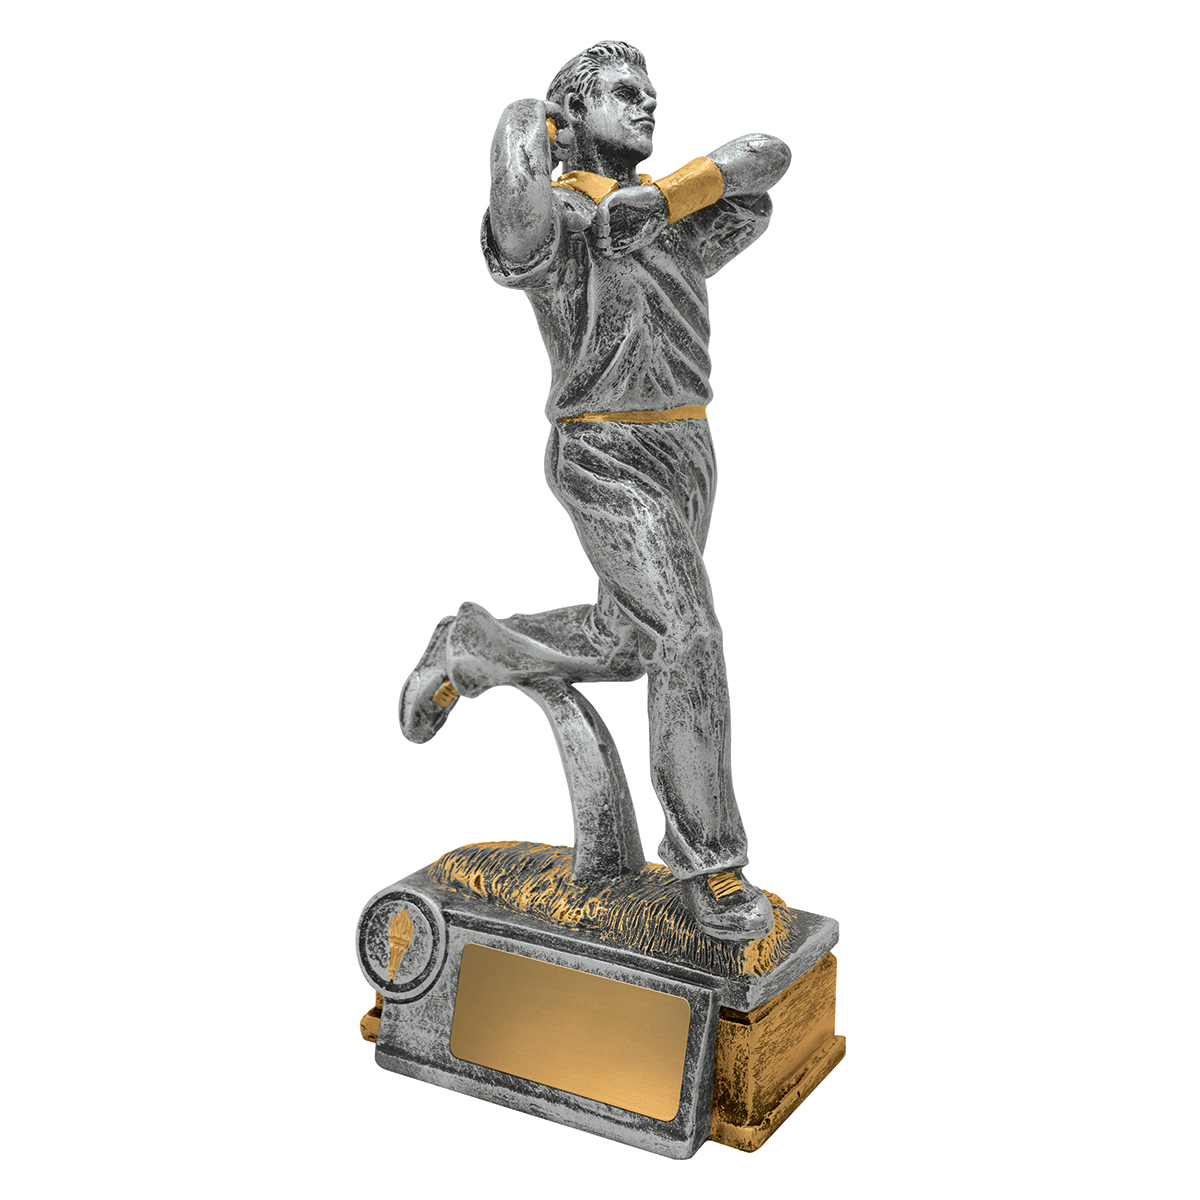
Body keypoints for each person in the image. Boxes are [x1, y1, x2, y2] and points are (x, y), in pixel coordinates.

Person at [400, 40, 791, 942]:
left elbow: (767, 163)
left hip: (689, 449)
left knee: (627, 642)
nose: (648, 104)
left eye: (652, 92)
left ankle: (472, 646)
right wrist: (528, 122)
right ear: (573, 114)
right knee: (688, 637)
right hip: (604, 453)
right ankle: (711, 862)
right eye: (624, 92)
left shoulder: (675, 218)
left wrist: (666, 199)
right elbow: (515, 203)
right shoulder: (563, 226)